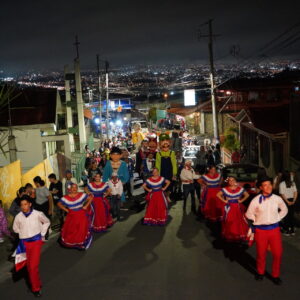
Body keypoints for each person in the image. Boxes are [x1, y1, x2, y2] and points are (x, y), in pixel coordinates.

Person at [245, 177, 288, 285]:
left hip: (274, 230)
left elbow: (284, 209)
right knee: (261, 254)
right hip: (261, 230)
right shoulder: (255, 200)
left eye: (270, 184)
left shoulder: (277, 198)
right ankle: (260, 272)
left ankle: (275, 275)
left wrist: (278, 218)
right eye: (265, 185)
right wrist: (256, 220)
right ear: (260, 187)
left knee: (278, 253)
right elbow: (248, 213)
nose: (268, 187)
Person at [13, 195, 50, 297]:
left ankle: (36, 289)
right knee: (29, 267)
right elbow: (15, 228)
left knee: (33, 266)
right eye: (21, 205)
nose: (23, 207)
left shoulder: (38, 214)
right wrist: (22, 233)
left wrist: (42, 233)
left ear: (30, 204)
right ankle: (36, 283)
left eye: (25, 204)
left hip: (36, 242)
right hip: (24, 243)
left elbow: (47, 222)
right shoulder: (18, 216)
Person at [58, 184, 93, 249]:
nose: (74, 189)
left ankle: (81, 243)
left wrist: (86, 206)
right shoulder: (65, 197)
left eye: (76, 187)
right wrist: (66, 210)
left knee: (81, 229)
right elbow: (59, 204)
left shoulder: (81, 195)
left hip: (81, 214)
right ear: (70, 189)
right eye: (73, 188)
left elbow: (90, 198)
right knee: (72, 229)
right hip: (71, 215)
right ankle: (73, 242)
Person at [217, 176, 249, 242]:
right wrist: (224, 201)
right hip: (229, 207)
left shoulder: (240, 188)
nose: (231, 182)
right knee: (230, 220)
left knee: (238, 220)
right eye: (230, 180)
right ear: (228, 182)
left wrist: (241, 200)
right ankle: (230, 234)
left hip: (237, 207)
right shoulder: (225, 189)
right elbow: (218, 195)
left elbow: (247, 195)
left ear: (235, 181)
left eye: (233, 180)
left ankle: (239, 233)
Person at [279, 170, 298, 236]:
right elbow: (295, 192)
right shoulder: (293, 183)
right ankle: (292, 230)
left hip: (285, 200)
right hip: (292, 200)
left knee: (286, 215)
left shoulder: (282, 184)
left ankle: (287, 230)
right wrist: (293, 201)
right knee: (291, 215)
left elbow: (282, 194)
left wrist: (287, 201)